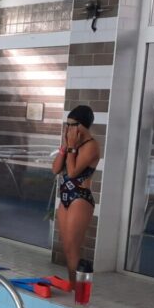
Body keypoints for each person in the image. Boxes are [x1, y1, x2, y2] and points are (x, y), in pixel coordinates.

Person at [52, 105, 101, 284]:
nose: (69, 129)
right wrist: (65, 147)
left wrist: (72, 147)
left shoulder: (91, 146)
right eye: (67, 124)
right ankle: (74, 286)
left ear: (83, 126)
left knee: (73, 249)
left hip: (80, 198)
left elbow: (72, 172)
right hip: (65, 197)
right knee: (67, 249)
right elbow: (56, 169)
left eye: (73, 125)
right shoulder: (71, 144)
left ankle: (78, 290)